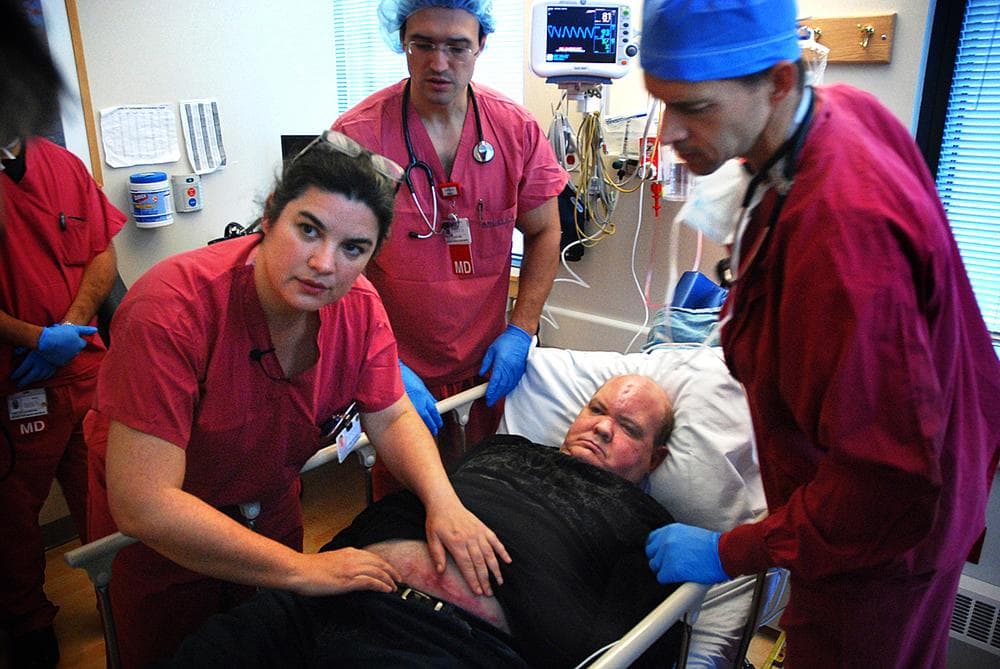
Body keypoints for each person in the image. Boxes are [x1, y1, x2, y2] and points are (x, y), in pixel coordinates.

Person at [639, 1, 1000, 667]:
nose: (670, 133)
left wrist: (734, 549)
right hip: (912, 496)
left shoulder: (842, 232)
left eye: (695, 107)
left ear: (777, 80)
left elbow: (881, 483)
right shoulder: (835, 114)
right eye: (661, 103)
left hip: (879, 547)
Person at [84, 131, 510, 668]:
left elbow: (392, 412)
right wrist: (300, 569)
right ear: (269, 217)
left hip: (268, 509)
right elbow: (145, 501)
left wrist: (444, 502)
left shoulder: (358, 307)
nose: (324, 263)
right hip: (164, 540)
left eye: (353, 248)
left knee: (268, 646)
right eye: (309, 230)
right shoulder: (173, 310)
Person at [162, 374, 680, 668]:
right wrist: (323, 564)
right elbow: (404, 507)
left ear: (655, 460)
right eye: (597, 408)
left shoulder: (646, 522)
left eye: (628, 426)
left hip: (447, 644)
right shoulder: (504, 448)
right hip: (330, 596)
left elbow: (634, 643)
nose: (603, 427)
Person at [332, 0, 567, 499]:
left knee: (492, 496)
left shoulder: (515, 130)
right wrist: (377, 361)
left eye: (457, 46)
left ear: (481, 44)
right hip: (396, 366)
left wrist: (522, 329)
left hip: (485, 368)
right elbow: (326, 256)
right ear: (403, 42)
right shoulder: (357, 138)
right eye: (424, 44)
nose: (439, 63)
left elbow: (546, 231)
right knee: (405, 508)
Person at [0, 128, 125, 668]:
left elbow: (102, 253)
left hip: (84, 364)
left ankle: (122, 599)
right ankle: (28, 621)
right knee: (11, 515)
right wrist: (34, 341)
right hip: (16, 381)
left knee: (107, 490)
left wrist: (70, 328)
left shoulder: (59, 162)